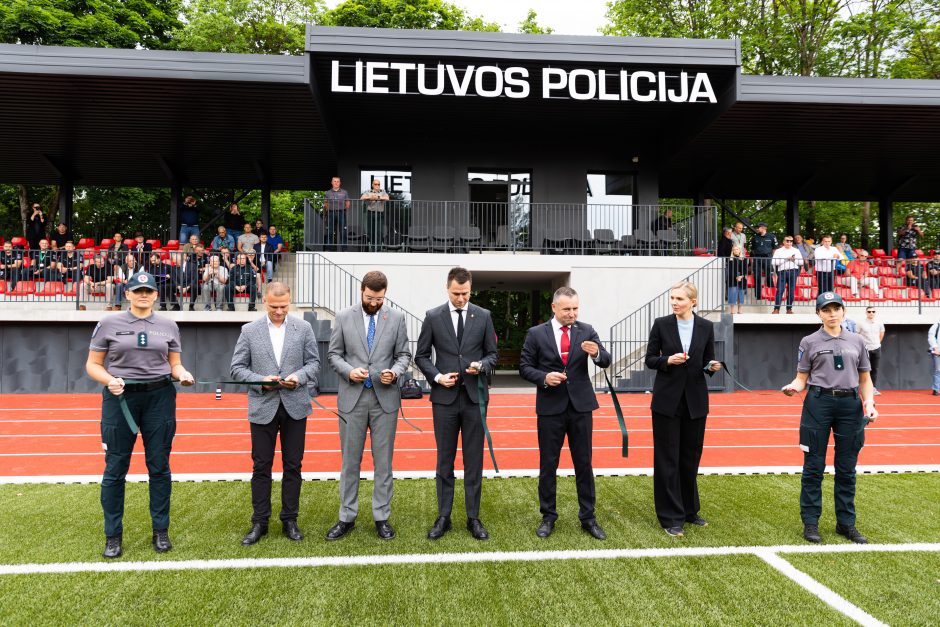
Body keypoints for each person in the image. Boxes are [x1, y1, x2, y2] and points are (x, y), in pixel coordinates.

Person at [85, 270, 195, 558]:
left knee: (159, 466)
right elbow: (93, 365)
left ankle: (160, 531)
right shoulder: (109, 323)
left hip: (159, 397)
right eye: (138, 291)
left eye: (148, 291)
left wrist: (183, 374)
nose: (143, 295)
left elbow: (175, 364)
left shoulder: (169, 325)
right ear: (128, 294)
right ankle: (113, 536)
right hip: (120, 397)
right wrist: (109, 380)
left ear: (156, 295)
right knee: (115, 468)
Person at [782, 291, 878, 544]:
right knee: (813, 466)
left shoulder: (857, 341)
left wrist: (869, 403)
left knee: (846, 468)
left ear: (843, 311)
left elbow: (866, 380)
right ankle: (811, 523)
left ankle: (846, 524)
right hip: (818, 403)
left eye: (836, 308)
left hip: (850, 405)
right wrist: (793, 388)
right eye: (826, 309)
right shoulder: (809, 341)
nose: (832, 313)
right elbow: (801, 377)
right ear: (819, 314)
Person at [230, 282, 320, 546]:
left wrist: (299, 377)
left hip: (295, 405)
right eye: (273, 306)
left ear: (289, 301)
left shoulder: (303, 328)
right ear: (264, 301)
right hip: (262, 405)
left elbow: (314, 363)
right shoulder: (249, 330)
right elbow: (236, 368)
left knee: (293, 465)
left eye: (283, 306)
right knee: (261, 466)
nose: (279, 311)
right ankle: (260, 521)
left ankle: (290, 519)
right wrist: (261, 380)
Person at [519, 286, 611, 540]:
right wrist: (544, 377)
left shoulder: (587, 330)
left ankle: (588, 517)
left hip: (581, 407)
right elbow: (524, 367)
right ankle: (548, 516)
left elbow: (605, 359)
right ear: (554, 308)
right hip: (550, 408)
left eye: (575, 308)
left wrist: (598, 354)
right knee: (548, 464)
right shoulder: (536, 334)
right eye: (567, 309)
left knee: (584, 463)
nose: (572, 313)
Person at [326, 270, 411, 541]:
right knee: (350, 462)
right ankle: (346, 517)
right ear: (361, 291)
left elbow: (403, 355)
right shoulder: (343, 317)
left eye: (379, 299)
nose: (374, 303)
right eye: (370, 298)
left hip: (385, 400)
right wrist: (349, 371)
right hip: (352, 399)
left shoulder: (396, 318)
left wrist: (395, 373)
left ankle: (381, 517)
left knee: (383, 463)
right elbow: (334, 354)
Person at [415, 267, 498, 541]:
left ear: (471, 289)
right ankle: (444, 516)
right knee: (444, 460)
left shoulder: (484, 316)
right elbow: (422, 355)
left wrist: (481, 365)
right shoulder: (433, 316)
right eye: (456, 293)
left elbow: (492, 355)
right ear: (447, 288)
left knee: (474, 461)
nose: (461, 298)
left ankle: (473, 518)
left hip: (475, 398)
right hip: (444, 399)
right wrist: (437, 376)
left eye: (465, 293)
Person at [644, 281, 721, 537]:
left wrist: (712, 365)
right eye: (673, 298)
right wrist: (668, 360)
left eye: (680, 299)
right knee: (667, 460)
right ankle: (670, 517)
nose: (675, 302)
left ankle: (689, 511)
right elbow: (650, 359)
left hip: (696, 401)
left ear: (693, 302)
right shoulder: (661, 324)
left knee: (690, 458)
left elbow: (707, 359)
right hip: (667, 401)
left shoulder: (706, 326)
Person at [855, 307, 885, 395]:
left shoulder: (879, 323)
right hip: (865, 349)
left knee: (875, 369)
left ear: (875, 312)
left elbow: (882, 333)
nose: (871, 313)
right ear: (866, 313)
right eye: (869, 311)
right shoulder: (860, 323)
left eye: (873, 311)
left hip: (876, 348)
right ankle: (859, 388)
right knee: (863, 369)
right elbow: (857, 334)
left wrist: (877, 343)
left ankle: (873, 388)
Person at [771, 235, 803, 314]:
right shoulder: (778, 251)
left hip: (793, 271)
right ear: (784, 241)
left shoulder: (796, 250)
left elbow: (801, 262)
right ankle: (776, 309)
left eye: (791, 241)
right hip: (782, 271)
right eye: (787, 241)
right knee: (780, 290)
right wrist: (785, 259)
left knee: (791, 291)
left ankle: (789, 309)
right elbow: (774, 262)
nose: (789, 243)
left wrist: (793, 260)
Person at [749, 222, 777, 300]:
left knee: (768, 275)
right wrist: (752, 261)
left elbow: (774, 248)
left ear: (764, 228)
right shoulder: (754, 237)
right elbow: (752, 249)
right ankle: (758, 296)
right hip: (757, 258)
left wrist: (773, 259)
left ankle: (771, 293)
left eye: (759, 227)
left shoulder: (772, 236)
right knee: (757, 276)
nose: (758, 229)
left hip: (768, 258)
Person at [360, 179, 390, 251]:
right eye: (375, 184)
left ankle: (379, 248)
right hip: (371, 213)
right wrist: (370, 198)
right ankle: (373, 248)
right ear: (372, 185)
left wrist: (378, 198)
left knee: (379, 231)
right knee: (371, 231)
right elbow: (361, 198)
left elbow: (387, 198)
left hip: (380, 213)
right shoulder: (368, 191)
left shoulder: (382, 192)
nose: (377, 186)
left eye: (378, 184)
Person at [324, 176, 350, 252]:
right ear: (332, 183)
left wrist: (343, 209)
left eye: (337, 181)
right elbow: (325, 203)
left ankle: (344, 249)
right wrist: (329, 209)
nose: (336, 183)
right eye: (334, 181)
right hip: (331, 213)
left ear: (340, 183)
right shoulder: (328, 192)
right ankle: (329, 249)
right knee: (330, 231)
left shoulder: (344, 192)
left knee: (343, 231)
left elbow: (347, 202)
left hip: (341, 212)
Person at [727, 245, 748, 314]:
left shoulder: (744, 259)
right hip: (732, 278)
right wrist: (736, 277)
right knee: (732, 294)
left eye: (737, 249)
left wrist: (741, 276)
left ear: (740, 250)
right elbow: (730, 270)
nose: (736, 250)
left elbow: (745, 269)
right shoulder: (730, 259)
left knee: (741, 294)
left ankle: (740, 310)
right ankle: (732, 311)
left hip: (742, 278)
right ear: (732, 251)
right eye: (734, 249)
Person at [929, 320, 940, 396]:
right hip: (937, 352)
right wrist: (935, 347)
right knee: (938, 371)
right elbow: (931, 337)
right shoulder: (936, 326)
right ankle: (936, 389)